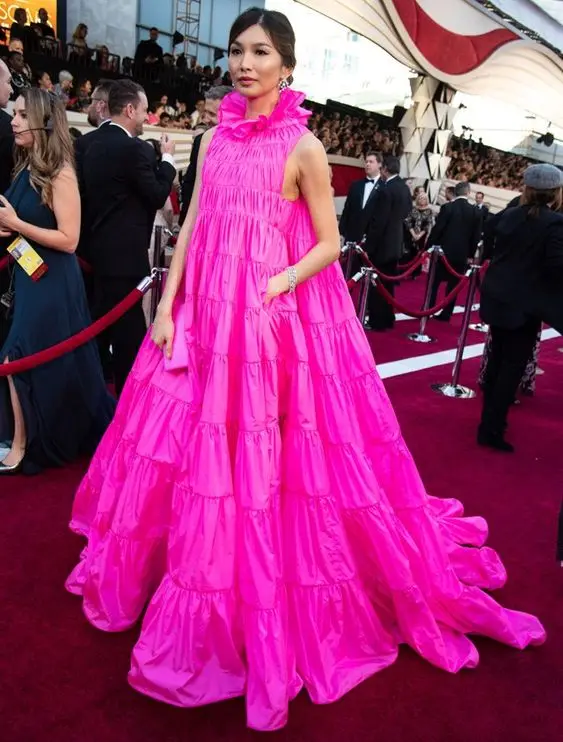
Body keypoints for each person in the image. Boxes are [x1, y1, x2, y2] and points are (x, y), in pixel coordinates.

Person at [66, 8, 545, 732]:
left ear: (286, 65)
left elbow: (328, 242)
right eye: (235, 50)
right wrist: (167, 303)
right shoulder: (212, 137)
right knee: (177, 445)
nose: (243, 63)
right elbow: (193, 221)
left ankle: (248, 588)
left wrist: (278, 283)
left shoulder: (306, 147)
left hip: (261, 318)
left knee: (265, 455)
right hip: (202, 314)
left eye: (259, 52)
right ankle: (176, 570)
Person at [0, 88, 115, 474]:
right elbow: (20, 228)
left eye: (20, 114)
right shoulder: (26, 168)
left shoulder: (60, 172)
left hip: (53, 279)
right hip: (29, 273)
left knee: (17, 355)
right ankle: (26, 434)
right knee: (31, 357)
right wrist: (10, 229)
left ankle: (21, 446)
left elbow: (70, 240)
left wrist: (16, 224)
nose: (13, 121)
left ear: (41, 121)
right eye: (13, 113)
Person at [79, 79, 176, 395]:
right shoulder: (134, 149)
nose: (147, 119)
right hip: (124, 261)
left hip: (87, 255)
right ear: (130, 109)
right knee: (128, 341)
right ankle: (125, 406)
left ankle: (87, 402)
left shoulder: (84, 143)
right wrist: (168, 160)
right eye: (145, 111)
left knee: (94, 335)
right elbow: (157, 193)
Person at [478, 164, 563, 451]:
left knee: (496, 362)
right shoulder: (554, 224)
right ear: (556, 192)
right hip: (524, 308)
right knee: (510, 370)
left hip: (497, 298)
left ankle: (488, 423)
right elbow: (555, 267)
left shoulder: (508, 216)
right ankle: (492, 429)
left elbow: (491, 242)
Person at [364, 154, 412, 330]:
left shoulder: (385, 189)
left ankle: (378, 321)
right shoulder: (404, 188)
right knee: (388, 285)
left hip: (382, 245)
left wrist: (369, 246)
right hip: (395, 242)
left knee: (378, 286)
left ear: (384, 168)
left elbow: (379, 222)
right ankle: (388, 317)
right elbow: (407, 211)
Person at [427, 181, 481, 322]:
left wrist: (428, 247)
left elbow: (438, 229)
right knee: (453, 286)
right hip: (461, 254)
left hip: (443, 252)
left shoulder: (447, 207)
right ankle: (447, 313)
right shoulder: (475, 211)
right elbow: (475, 236)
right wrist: (470, 255)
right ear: (468, 193)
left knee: (434, 282)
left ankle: (428, 307)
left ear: (455, 192)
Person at [179, 85, 232, 225]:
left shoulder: (252, 146)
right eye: (205, 113)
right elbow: (190, 182)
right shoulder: (200, 141)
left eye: (212, 114)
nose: (206, 120)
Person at [338, 150, 383, 245]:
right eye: (366, 162)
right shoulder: (356, 185)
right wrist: (341, 232)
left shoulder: (385, 186)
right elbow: (347, 210)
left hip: (373, 239)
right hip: (351, 236)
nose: (367, 164)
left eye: (371, 162)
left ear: (379, 164)